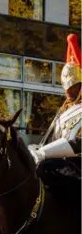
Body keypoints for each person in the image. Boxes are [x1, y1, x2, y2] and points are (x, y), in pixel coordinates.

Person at [29, 33, 81, 164]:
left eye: (73, 86)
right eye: (66, 87)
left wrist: (43, 152)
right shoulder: (65, 111)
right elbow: (53, 140)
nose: (68, 92)